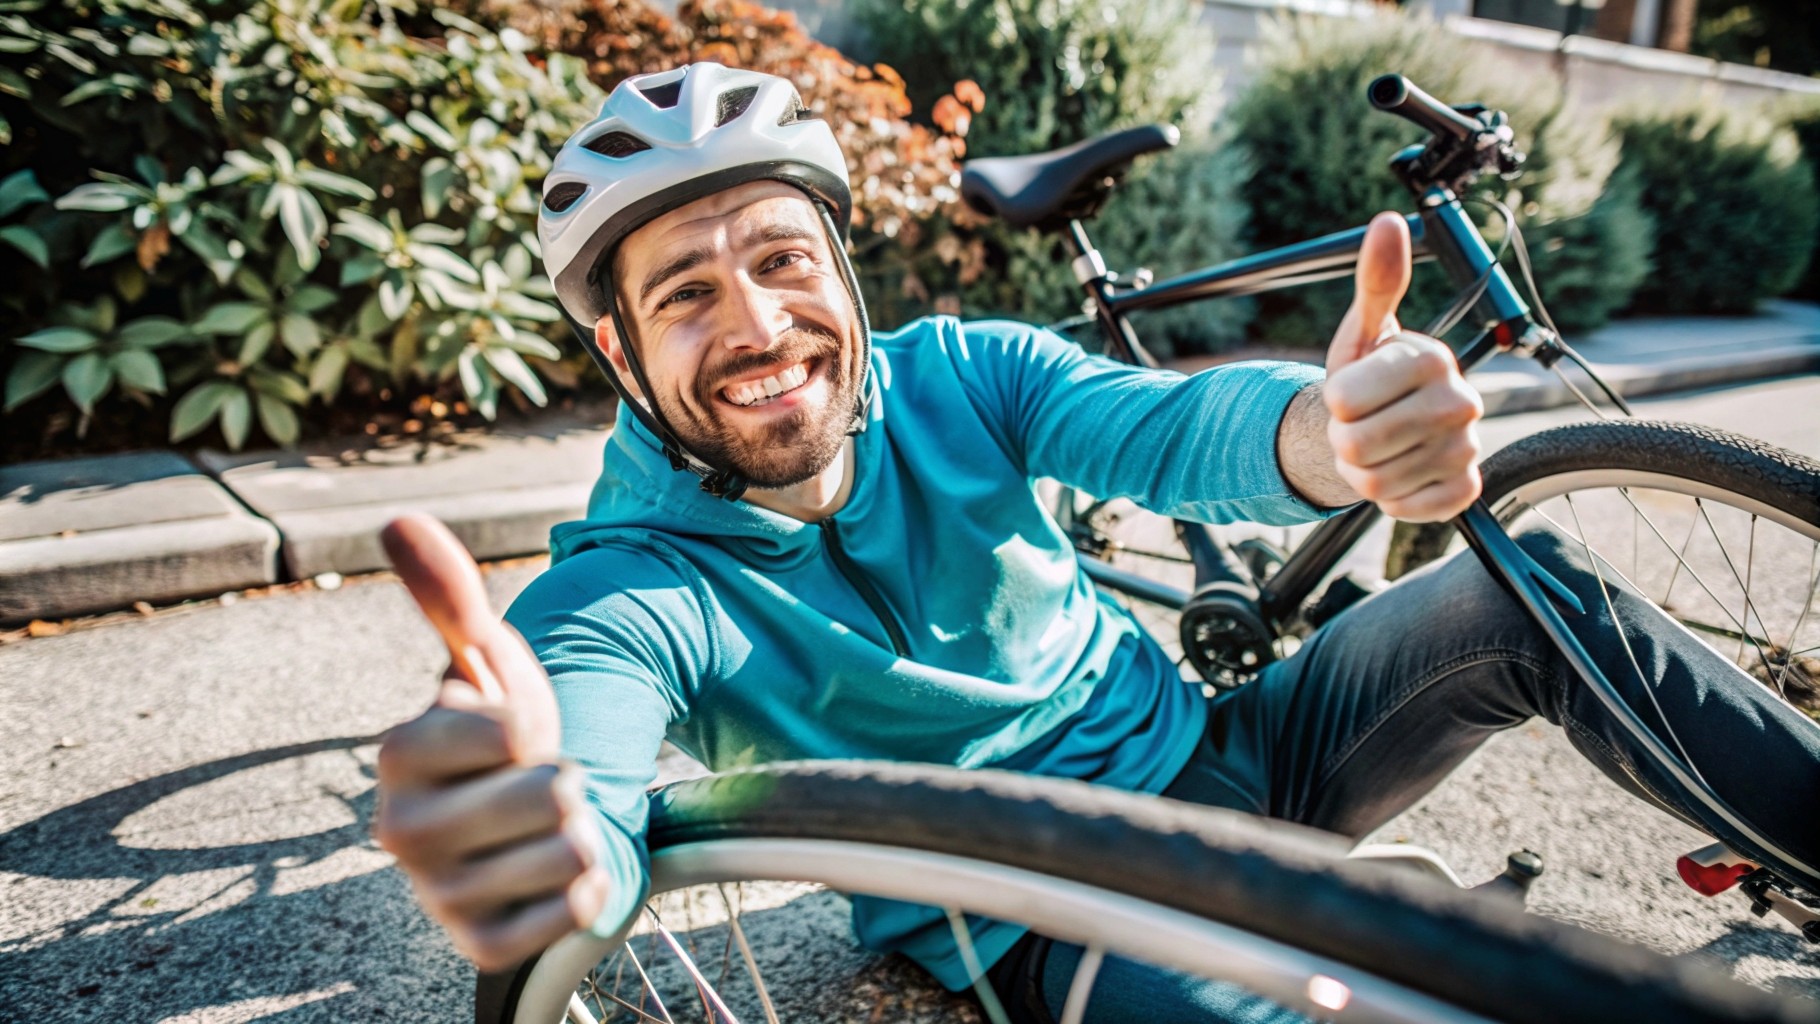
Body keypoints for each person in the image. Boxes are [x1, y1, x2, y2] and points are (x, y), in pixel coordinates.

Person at [372, 63, 1819, 1021]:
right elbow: (576, 752)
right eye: (685, 293)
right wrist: (540, 823)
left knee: (1529, 597)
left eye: (781, 259)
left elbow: (1180, 433)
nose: (755, 324)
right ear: (622, 360)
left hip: (1238, 752)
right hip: (1059, 907)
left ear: (845, 279)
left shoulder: (960, 372)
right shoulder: (633, 581)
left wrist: (1333, 435)